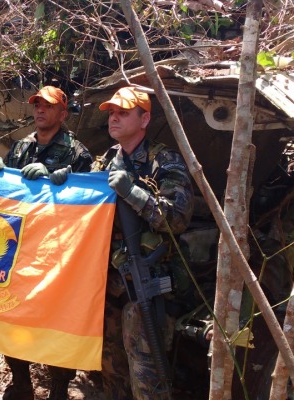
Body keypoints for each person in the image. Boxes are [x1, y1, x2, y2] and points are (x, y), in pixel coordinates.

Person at [0, 85, 94, 400]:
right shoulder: (20, 148)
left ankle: (59, 386)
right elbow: (7, 195)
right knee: (13, 315)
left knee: (56, 317)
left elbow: (86, 202)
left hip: (57, 248)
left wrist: (54, 180)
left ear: (63, 112)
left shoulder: (77, 152)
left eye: (48, 106)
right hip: (20, 245)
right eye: (37, 105)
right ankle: (21, 382)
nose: (40, 110)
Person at [93, 87, 194, 399]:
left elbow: (177, 218)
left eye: (123, 112)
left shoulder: (164, 160)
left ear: (145, 118)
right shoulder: (105, 161)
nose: (114, 118)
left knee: (147, 373)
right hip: (109, 283)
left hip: (147, 283)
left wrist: (133, 193)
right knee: (110, 368)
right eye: (111, 113)